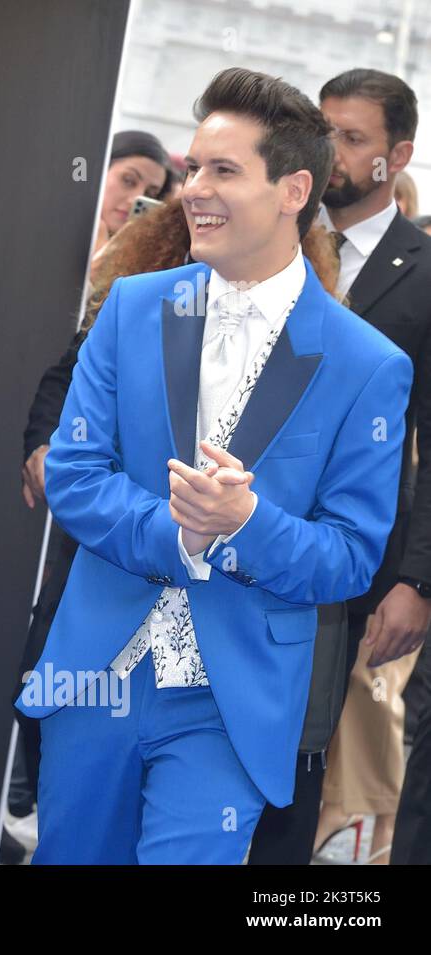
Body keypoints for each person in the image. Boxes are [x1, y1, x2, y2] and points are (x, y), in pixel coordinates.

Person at [16, 67, 413, 864]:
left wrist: (246, 524)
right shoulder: (134, 307)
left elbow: (350, 554)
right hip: (97, 677)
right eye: (194, 167)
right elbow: (75, 472)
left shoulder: (367, 363)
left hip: (231, 703)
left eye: (222, 170)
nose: (193, 188)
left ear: (295, 188)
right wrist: (178, 531)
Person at [307, 68, 431, 866]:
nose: (332, 154)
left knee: (306, 767)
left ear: (398, 155)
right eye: (324, 134)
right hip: (227, 544)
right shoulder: (269, 240)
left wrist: (416, 581)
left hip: (357, 569)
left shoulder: (425, 271)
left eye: (353, 138)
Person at [89, 131, 172, 279]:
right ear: (101, 169)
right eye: (128, 180)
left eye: (150, 194)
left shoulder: (146, 261)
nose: (135, 199)